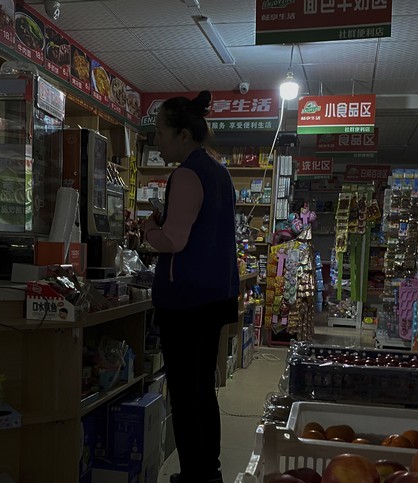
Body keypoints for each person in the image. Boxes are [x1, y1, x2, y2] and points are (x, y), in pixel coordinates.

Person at [143, 91, 239, 483]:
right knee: (202, 389)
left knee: (185, 395)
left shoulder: (185, 174)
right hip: (215, 296)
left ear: (183, 134)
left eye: (161, 132)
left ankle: (194, 474)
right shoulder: (219, 172)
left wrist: (148, 228)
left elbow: (174, 241)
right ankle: (207, 472)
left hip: (186, 301)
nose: (157, 141)